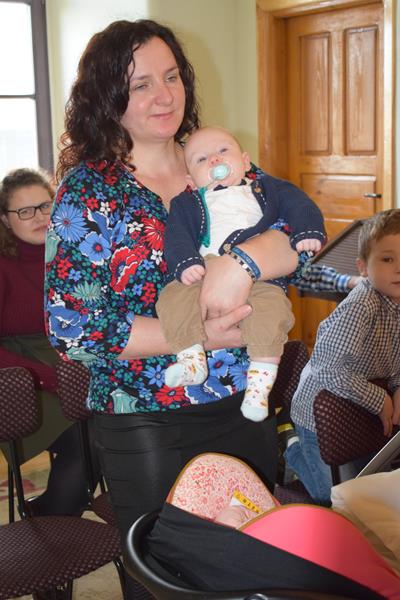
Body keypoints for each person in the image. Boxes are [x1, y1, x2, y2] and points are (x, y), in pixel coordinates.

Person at [44, 19, 311, 599]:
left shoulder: (215, 161)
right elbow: (74, 329)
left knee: (249, 566)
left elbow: (300, 239)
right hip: (146, 415)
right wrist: (203, 336)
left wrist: (249, 261)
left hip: (244, 401)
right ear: (107, 96)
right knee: (168, 579)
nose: (164, 95)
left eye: (172, 77)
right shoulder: (90, 191)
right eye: (140, 84)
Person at [156, 125, 325, 422]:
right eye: (201, 159)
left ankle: (259, 386)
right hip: (203, 271)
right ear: (191, 180)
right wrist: (185, 263)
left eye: (223, 151)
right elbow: (177, 236)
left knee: (272, 313)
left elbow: (300, 205)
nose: (214, 160)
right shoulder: (187, 203)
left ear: (246, 162)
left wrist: (307, 232)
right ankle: (191, 358)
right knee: (172, 298)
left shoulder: (267, 188)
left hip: (261, 278)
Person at [0, 168, 97, 518]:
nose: (40, 217)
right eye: (25, 211)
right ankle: (54, 522)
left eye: (45, 206)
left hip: (73, 363)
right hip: (19, 377)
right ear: (5, 220)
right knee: (88, 441)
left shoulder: (73, 253)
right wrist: (49, 378)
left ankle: (49, 511)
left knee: (120, 425)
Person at [286, 209, 400, 505]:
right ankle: (293, 450)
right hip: (318, 412)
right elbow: (327, 369)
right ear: (363, 268)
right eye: (388, 259)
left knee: (362, 484)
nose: (399, 268)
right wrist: (380, 399)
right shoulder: (361, 306)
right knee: (331, 498)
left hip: (356, 402)